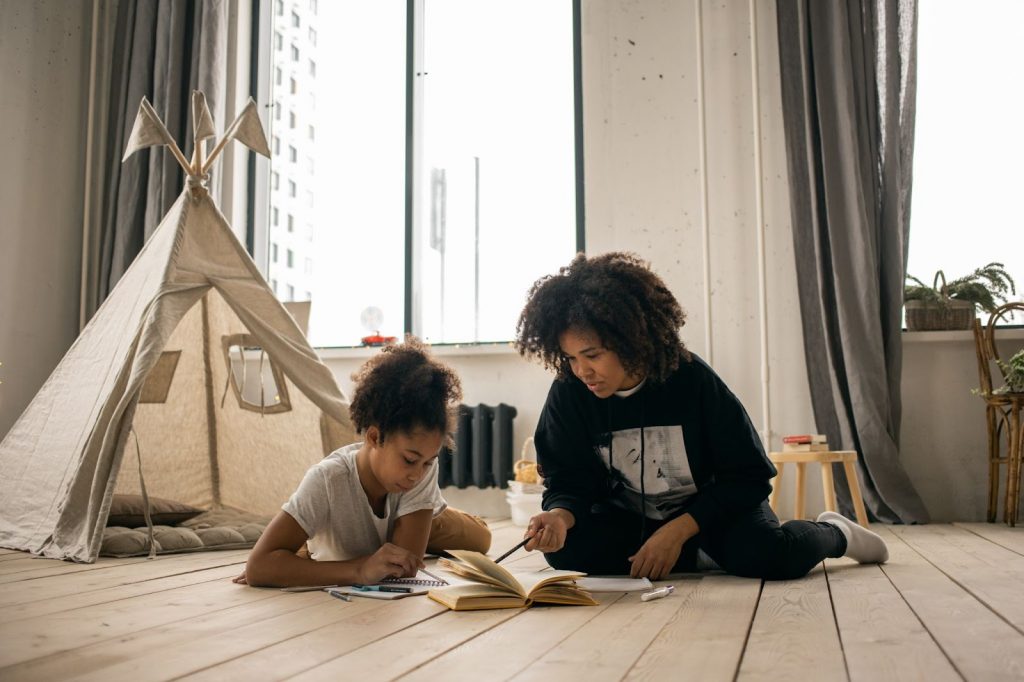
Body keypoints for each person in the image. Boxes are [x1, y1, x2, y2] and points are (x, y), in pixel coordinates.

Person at [513, 252, 887, 580]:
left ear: (629, 340)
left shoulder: (691, 380)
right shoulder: (569, 391)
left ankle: (836, 533)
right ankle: (704, 558)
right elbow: (569, 477)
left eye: (592, 355)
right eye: (571, 358)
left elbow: (749, 478)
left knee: (772, 555)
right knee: (564, 551)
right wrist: (560, 516)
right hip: (631, 520)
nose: (581, 371)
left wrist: (676, 533)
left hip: (711, 515)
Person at [239, 338, 490, 588]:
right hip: (355, 526)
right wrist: (358, 570)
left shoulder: (420, 470)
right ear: (373, 437)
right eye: (410, 460)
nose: (417, 475)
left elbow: (402, 567)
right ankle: (308, 545)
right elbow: (259, 567)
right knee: (318, 551)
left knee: (481, 539)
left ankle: (429, 515)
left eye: (427, 463)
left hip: (418, 517)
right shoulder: (326, 480)